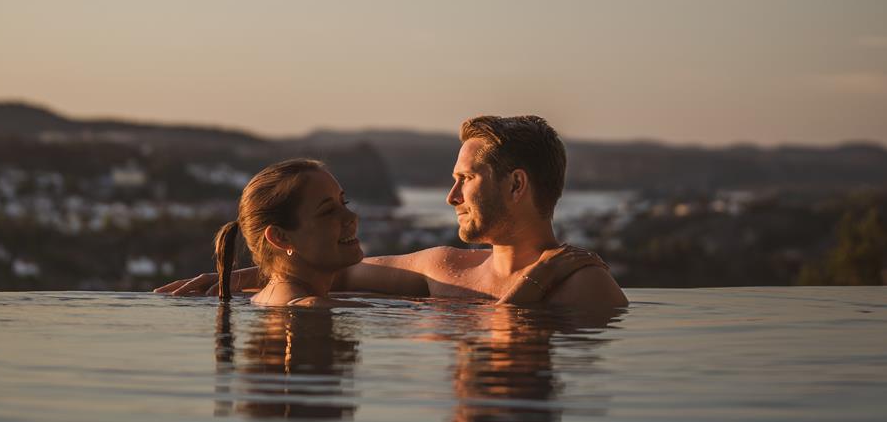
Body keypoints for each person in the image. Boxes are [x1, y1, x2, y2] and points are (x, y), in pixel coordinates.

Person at [157, 116, 628, 312]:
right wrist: (230, 279)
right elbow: (332, 274)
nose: (451, 196)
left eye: (465, 179)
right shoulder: (445, 268)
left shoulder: (583, 284)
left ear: (516, 184)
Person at [209, 158, 366, 307]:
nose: (351, 217)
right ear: (280, 237)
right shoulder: (313, 309)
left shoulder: (265, 299)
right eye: (328, 211)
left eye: (343, 202)